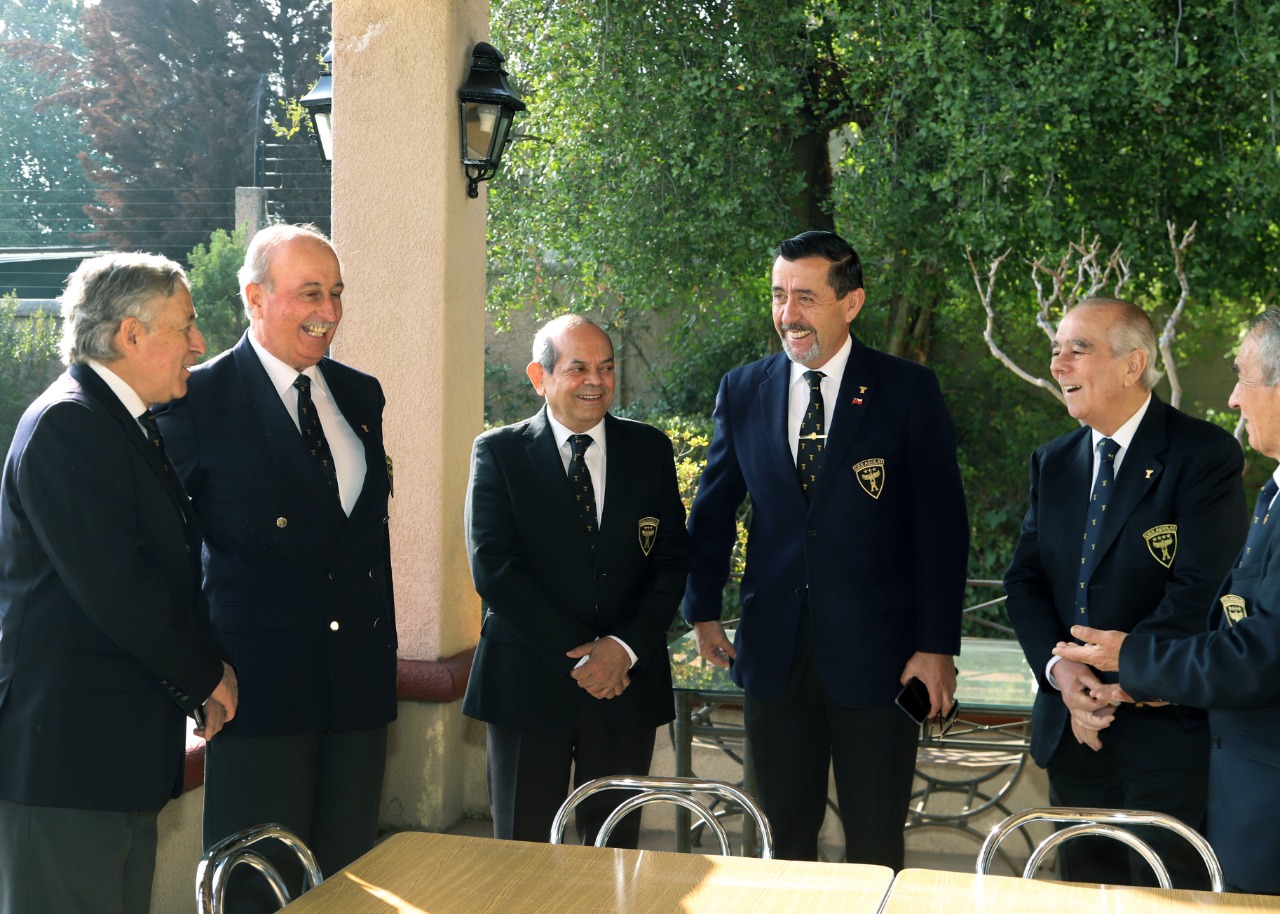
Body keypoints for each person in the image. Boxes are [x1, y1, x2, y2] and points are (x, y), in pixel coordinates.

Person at [683, 230, 969, 865]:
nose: (789, 315)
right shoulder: (743, 389)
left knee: (874, 840)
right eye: (780, 296)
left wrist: (936, 647)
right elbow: (715, 507)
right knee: (783, 840)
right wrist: (701, 609)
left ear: (852, 302)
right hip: (773, 654)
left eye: (806, 298)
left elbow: (942, 528)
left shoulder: (907, 391)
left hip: (883, 660)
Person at [156, 224, 397, 906]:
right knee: (259, 889)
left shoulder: (360, 395)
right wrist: (196, 672)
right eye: (310, 292)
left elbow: (361, 540)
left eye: (337, 293)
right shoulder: (197, 400)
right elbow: (168, 556)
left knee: (349, 887)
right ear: (255, 297)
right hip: (256, 693)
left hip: (357, 687)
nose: (329, 311)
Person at [0, 253, 237, 914]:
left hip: (111, 761)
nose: (199, 344)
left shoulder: (118, 424)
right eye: (185, 325)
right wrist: (205, 674)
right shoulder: (68, 425)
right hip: (68, 763)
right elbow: (118, 586)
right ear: (129, 335)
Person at [1004, 298, 1246, 888]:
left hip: (1165, 739)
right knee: (1081, 895)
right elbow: (1025, 581)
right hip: (1072, 728)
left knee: (1172, 899)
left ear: (1133, 365)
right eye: (1056, 349)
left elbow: (1201, 589)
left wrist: (1119, 684)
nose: (1058, 363)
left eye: (1077, 349)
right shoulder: (1052, 462)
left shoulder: (1204, 456)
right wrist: (1063, 673)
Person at [1055, 308, 1280, 895]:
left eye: (1244, 378)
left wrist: (1132, 661)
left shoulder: (1205, 457)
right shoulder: (1274, 491)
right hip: (1240, 790)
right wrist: (1075, 670)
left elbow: (1259, 651)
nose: (1232, 398)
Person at [463, 314, 690, 846]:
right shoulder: (499, 452)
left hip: (625, 686)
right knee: (522, 856)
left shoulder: (649, 450)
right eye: (578, 368)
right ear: (539, 378)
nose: (596, 380)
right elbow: (492, 567)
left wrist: (622, 648)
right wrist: (586, 656)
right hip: (527, 684)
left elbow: (673, 560)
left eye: (607, 368)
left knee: (613, 856)